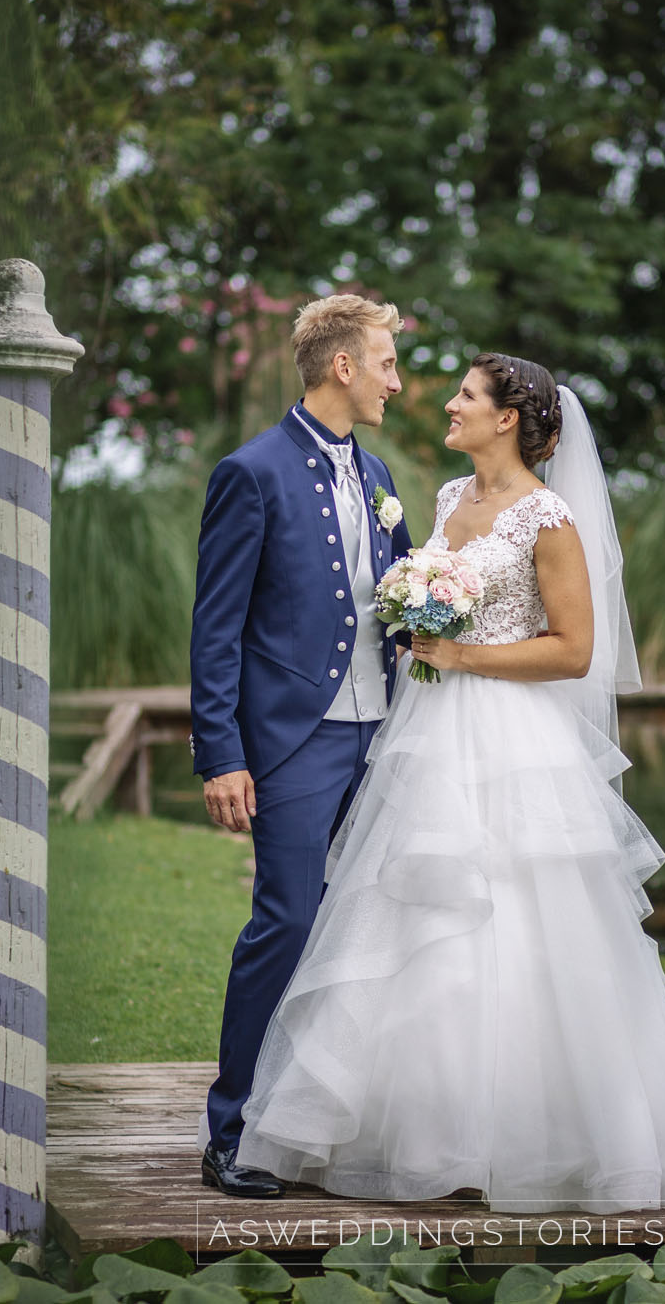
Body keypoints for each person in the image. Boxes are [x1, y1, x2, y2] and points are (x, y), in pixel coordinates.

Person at [234, 353, 665, 1213]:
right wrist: (417, 616)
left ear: (508, 419)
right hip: (431, 735)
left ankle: (538, 1137)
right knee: (418, 923)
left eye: (466, 395)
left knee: (525, 922)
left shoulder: (548, 516)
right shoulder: (451, 499)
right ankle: (417, 1131)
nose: (446, 403)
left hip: (515, 742)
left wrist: (460, 653)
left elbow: (573, 649)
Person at [188, 294, 417, 1198]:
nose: (398, 381)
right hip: (292, 742)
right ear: (343, 367)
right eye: (388, 363)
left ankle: (329, 1120)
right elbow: (216, 629)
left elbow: (394, 596)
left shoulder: (379, 471)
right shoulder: (250, 473)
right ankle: (233, 1129)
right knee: (287, 920)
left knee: (369, 927)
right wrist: (221, 752)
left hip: (385, 736)